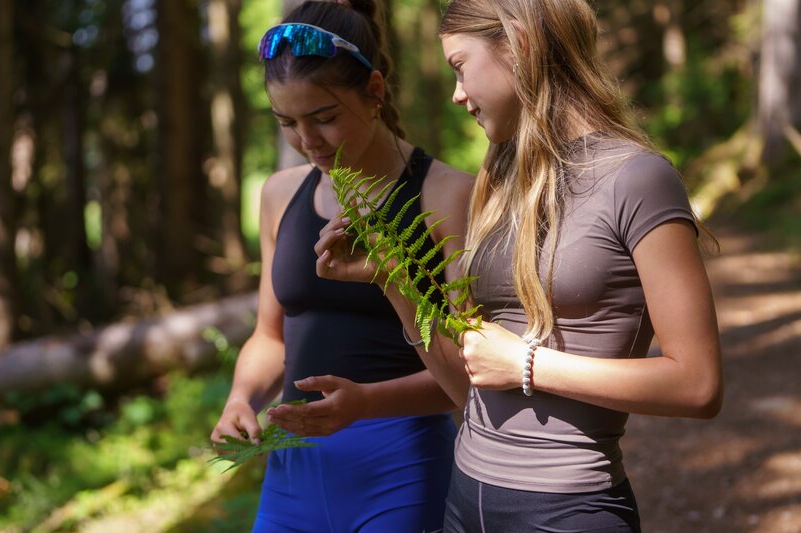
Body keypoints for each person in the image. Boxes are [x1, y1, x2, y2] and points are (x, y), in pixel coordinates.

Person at [316, 0, 724, 530]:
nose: (457, 93)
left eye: (460, 67)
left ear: (518, 45)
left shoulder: (638, 178)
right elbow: (466, 388)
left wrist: (528, 364)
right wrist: (392, 280)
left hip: (568, 510)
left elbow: (698, 384)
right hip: (463, 499)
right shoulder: (497, 179)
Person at [209, 1, 473, 531]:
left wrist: (366, 403)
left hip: (403, 465)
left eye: (324, 118)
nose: (307, 141)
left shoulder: (446, 194)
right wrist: (240, 399)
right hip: (291, 471)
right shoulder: (280, 194)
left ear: (374, 92)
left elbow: (472, 372)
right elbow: (270, 337)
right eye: (287, 123)